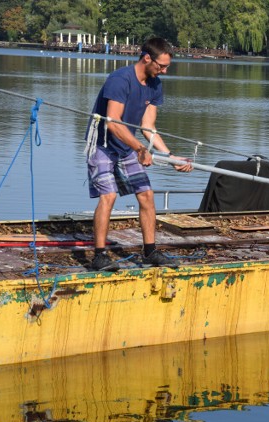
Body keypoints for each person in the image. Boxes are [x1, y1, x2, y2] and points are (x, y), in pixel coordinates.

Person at [85, 37, 192, 271]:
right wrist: (140, 149)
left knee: (146, 195)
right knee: (109, 196)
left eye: (166, 67)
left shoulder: (155, 84)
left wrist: (170, 157)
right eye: (161, 66)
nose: (163, 70)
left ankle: (149, 251)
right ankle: (99, 255)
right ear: (146, 58)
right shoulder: (120, 80)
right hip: (102, 145)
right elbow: (113, 123)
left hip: (127, 147)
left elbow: (148, 127)